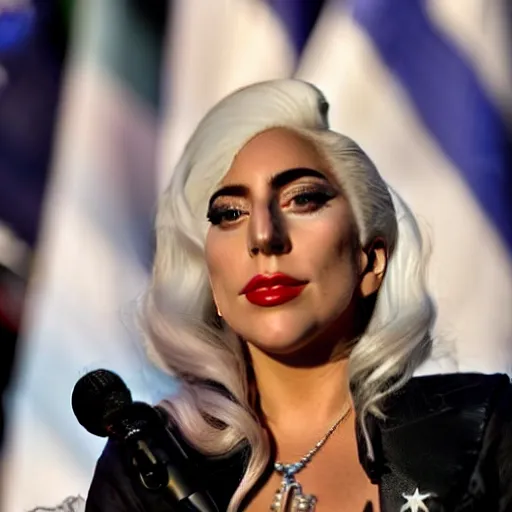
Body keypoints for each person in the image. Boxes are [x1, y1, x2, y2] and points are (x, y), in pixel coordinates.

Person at [85, 79, 512, 512]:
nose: (264, 235)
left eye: (302, 199)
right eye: (230, 213)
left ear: (371, 260)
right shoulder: (146, 469)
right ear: (212, 283)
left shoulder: (478, 429)